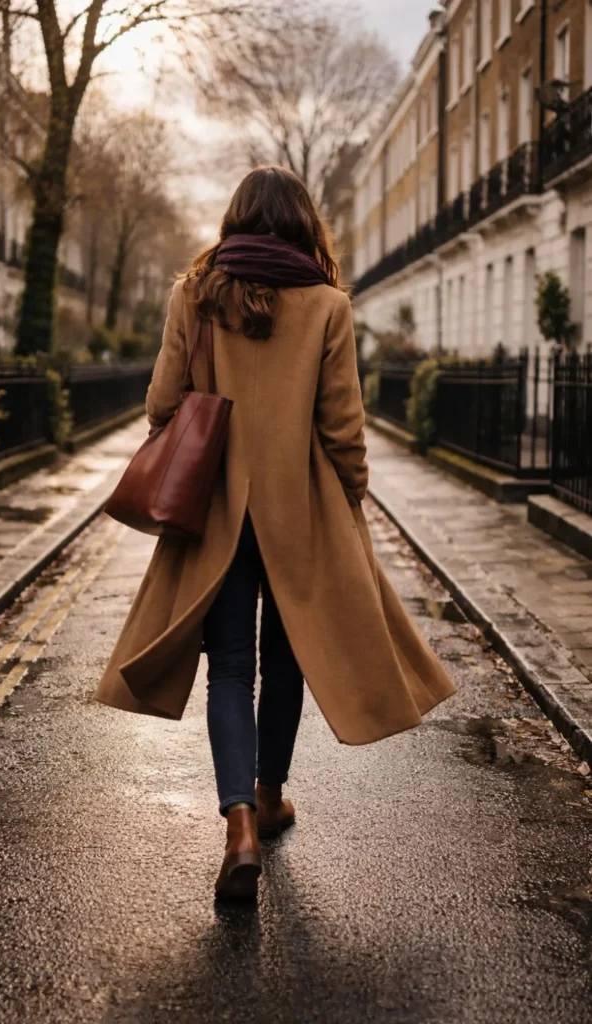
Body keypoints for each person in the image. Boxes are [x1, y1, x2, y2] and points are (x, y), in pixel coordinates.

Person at [96, 166, 456, 901]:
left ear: (234, 220)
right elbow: (343, 428)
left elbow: (161, 403)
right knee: (285, 661)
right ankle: (267, 795)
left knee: (229, 667)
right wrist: (350, 496)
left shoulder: (194, 295)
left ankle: (238, 828)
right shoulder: (328, 306)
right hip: (302, 510)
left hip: (217, 510)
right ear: (303, 224)